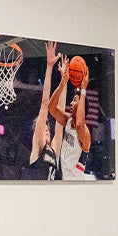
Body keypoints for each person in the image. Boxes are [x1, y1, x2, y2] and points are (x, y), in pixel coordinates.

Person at [29, 42, 94, 182]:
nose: (46, 130)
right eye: (43, 129)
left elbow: (77, 121)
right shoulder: (39, 148)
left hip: (74, 182)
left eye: (47, 128)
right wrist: (58, 76)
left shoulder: (81, 133)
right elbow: (48, 106)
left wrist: (77, 86)